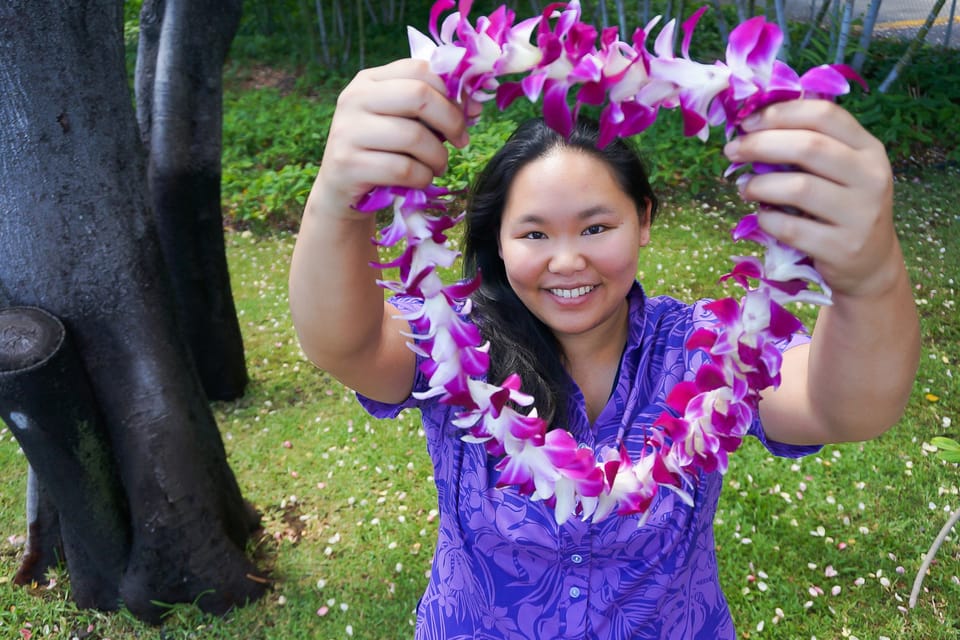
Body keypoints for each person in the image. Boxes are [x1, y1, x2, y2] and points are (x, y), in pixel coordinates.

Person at [288, 59, 920, 639]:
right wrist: (338, 198)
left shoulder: (704, 350)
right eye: (534, 232)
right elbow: (346, 343)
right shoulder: (460, 345)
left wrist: (870, 277)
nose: (569, 261)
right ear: (500, 243)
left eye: (596, 227)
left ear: (642, 219)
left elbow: (845, 405)